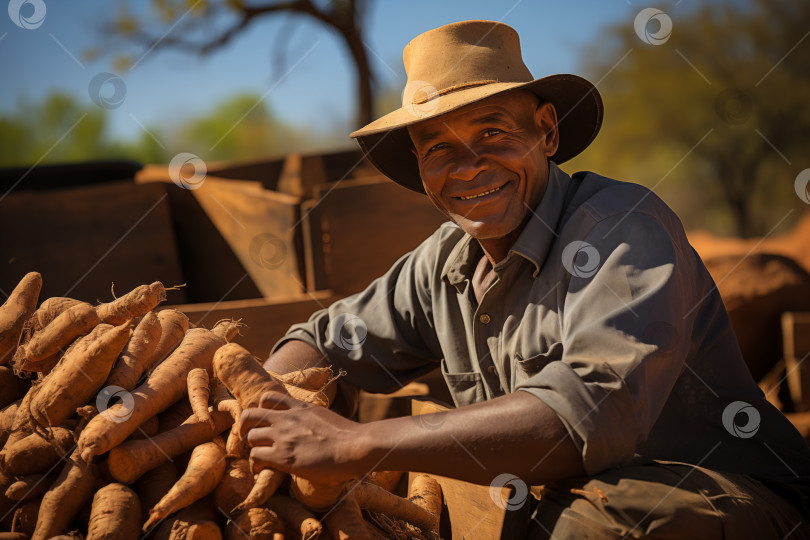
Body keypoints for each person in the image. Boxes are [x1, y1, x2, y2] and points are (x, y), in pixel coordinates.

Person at [241, 20, 810, 538]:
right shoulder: (442, 263)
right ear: (421, 168)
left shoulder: (621, 228)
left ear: (547, 132)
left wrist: (354, 443)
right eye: (439, 148)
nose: (469, 167)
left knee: (577, 531)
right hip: (574, 494)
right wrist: (265, 403)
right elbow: (321, 341)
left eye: (492, 133)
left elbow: (590, 408)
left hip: (727, 491)